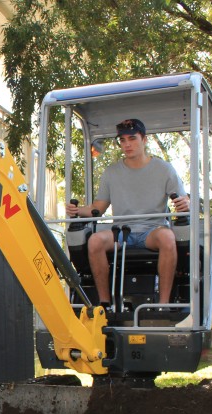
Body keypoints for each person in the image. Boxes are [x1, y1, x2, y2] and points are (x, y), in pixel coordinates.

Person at [65, 118, 189, 310]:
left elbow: (184, 202)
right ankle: (105, 305)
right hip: (122, 233)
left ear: (144, 139)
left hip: (152, 231)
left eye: (132, 138)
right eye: (122, 140)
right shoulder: (111, 172)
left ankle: (163, 305)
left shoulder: (164, 169)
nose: (127, 144)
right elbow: (98, 207)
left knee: (167, 237)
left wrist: (185, 202)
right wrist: (78, 210)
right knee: (95, 241)